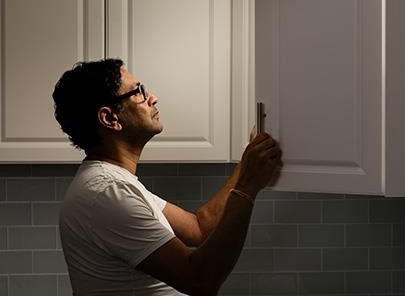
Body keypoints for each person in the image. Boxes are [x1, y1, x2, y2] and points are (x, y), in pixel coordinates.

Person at [52, 58, 282, 296]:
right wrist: (247, 187)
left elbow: (199, 228)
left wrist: (247, 165)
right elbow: (200, 280)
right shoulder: (107, 192)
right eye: (138, 92)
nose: (152, 97)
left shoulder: (114, 182)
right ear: (110, 118)